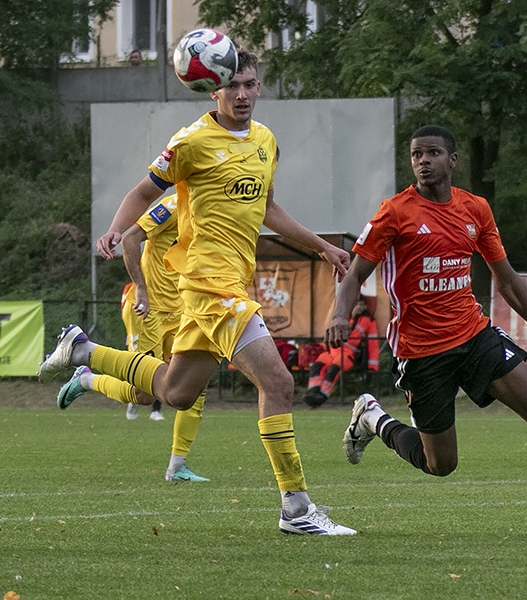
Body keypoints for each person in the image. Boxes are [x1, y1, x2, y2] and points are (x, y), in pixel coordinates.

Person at [39, 50, 356, 536]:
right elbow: (142, 195)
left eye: (250, 84)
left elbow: (269, 210)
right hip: (210, 285)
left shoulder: (266, 141)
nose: (244, 94)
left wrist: (322, 249)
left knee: (175, 392)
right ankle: (297, 510)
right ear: (212, 87)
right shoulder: (191, 142)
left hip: (229, 285)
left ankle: (83, 350)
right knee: (279, 384)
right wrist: (115, 229)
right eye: (233, 86)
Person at [326, 125, 527, 539]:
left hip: (474, 335)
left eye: (432, 153)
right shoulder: (394, 212)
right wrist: (340, 314)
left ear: (453, 160)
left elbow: (507, 280)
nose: (423, 161)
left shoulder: (475, 208)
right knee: (441, 464)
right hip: (422, 352)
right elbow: (355, 272)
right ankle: (373, 417)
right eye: (416, 155)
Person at [58, 195, 210, 482]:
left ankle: (177, 466)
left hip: (186, 311)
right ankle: (85, 379)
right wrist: (141, 287)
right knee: (144, 394)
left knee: (196, 386)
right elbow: (130, 239)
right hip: (148, 310)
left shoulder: (213, 209)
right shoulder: (173, 205)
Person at [304, 298, 379, 407]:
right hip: (332, 351)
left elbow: (373, 345)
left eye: (363, 305)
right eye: (358, 304)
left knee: (333, 370)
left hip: (348, 355)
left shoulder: (368, 321)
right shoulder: (341, 317)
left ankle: (322, 395)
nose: (361, 307)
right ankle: (312, 392)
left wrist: (373, 366)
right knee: (317, 366)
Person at [121, 282, 165, 422]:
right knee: (139, 369)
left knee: (162, 369)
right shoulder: (130, 289)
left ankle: (156, 410)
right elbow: (125, 311)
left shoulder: (166, 285)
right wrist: (129, 332)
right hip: (142, 331)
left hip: (163, 328)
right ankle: (133, 398)